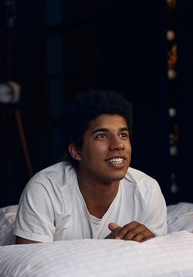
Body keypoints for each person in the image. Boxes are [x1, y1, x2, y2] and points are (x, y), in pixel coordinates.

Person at [14, 90, 167, 244]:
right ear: (76, 151)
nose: (118, 145)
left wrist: (151, 244)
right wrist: (105, 249)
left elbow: (158, 263)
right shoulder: (45, 189)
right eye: (102, 136)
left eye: (123, 135)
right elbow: (33, 265)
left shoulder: (147, 191)